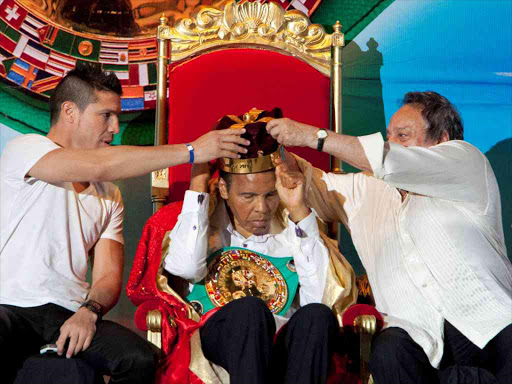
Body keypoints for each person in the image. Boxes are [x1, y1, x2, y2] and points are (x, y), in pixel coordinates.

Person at [0, 63, 247, 383]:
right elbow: (98, 167)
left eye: (117, 116)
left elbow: (107, 277)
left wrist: (89, 311)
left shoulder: (109, 195)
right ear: (70, 111)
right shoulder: (26, 150)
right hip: (10, 307)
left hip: (68, 313)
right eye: (106, 115)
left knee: (139, 359)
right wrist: (191, 151)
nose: (115, 127)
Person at [266, 91, 512, 384]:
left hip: (491, 329)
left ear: (443, 141)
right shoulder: (365, 190)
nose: (391, 144)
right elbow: (307, 184)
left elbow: (391, 160)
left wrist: (312, 136)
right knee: (388, 349)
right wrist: (273, 147)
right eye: (389, 136)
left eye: (403, 136)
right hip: (420, 347)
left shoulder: (467, 164)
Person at [163, 108, 357, 384]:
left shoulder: (293, 231)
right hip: (221, 340)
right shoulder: (205, 230)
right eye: (248, 196)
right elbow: (184, 268)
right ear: (223, 190)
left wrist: (298, 208)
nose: (261, 208)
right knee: (251, 311)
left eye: (270, 195)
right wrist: (199, 182)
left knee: (316, 316)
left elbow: (321, 298)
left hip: (280, 343)